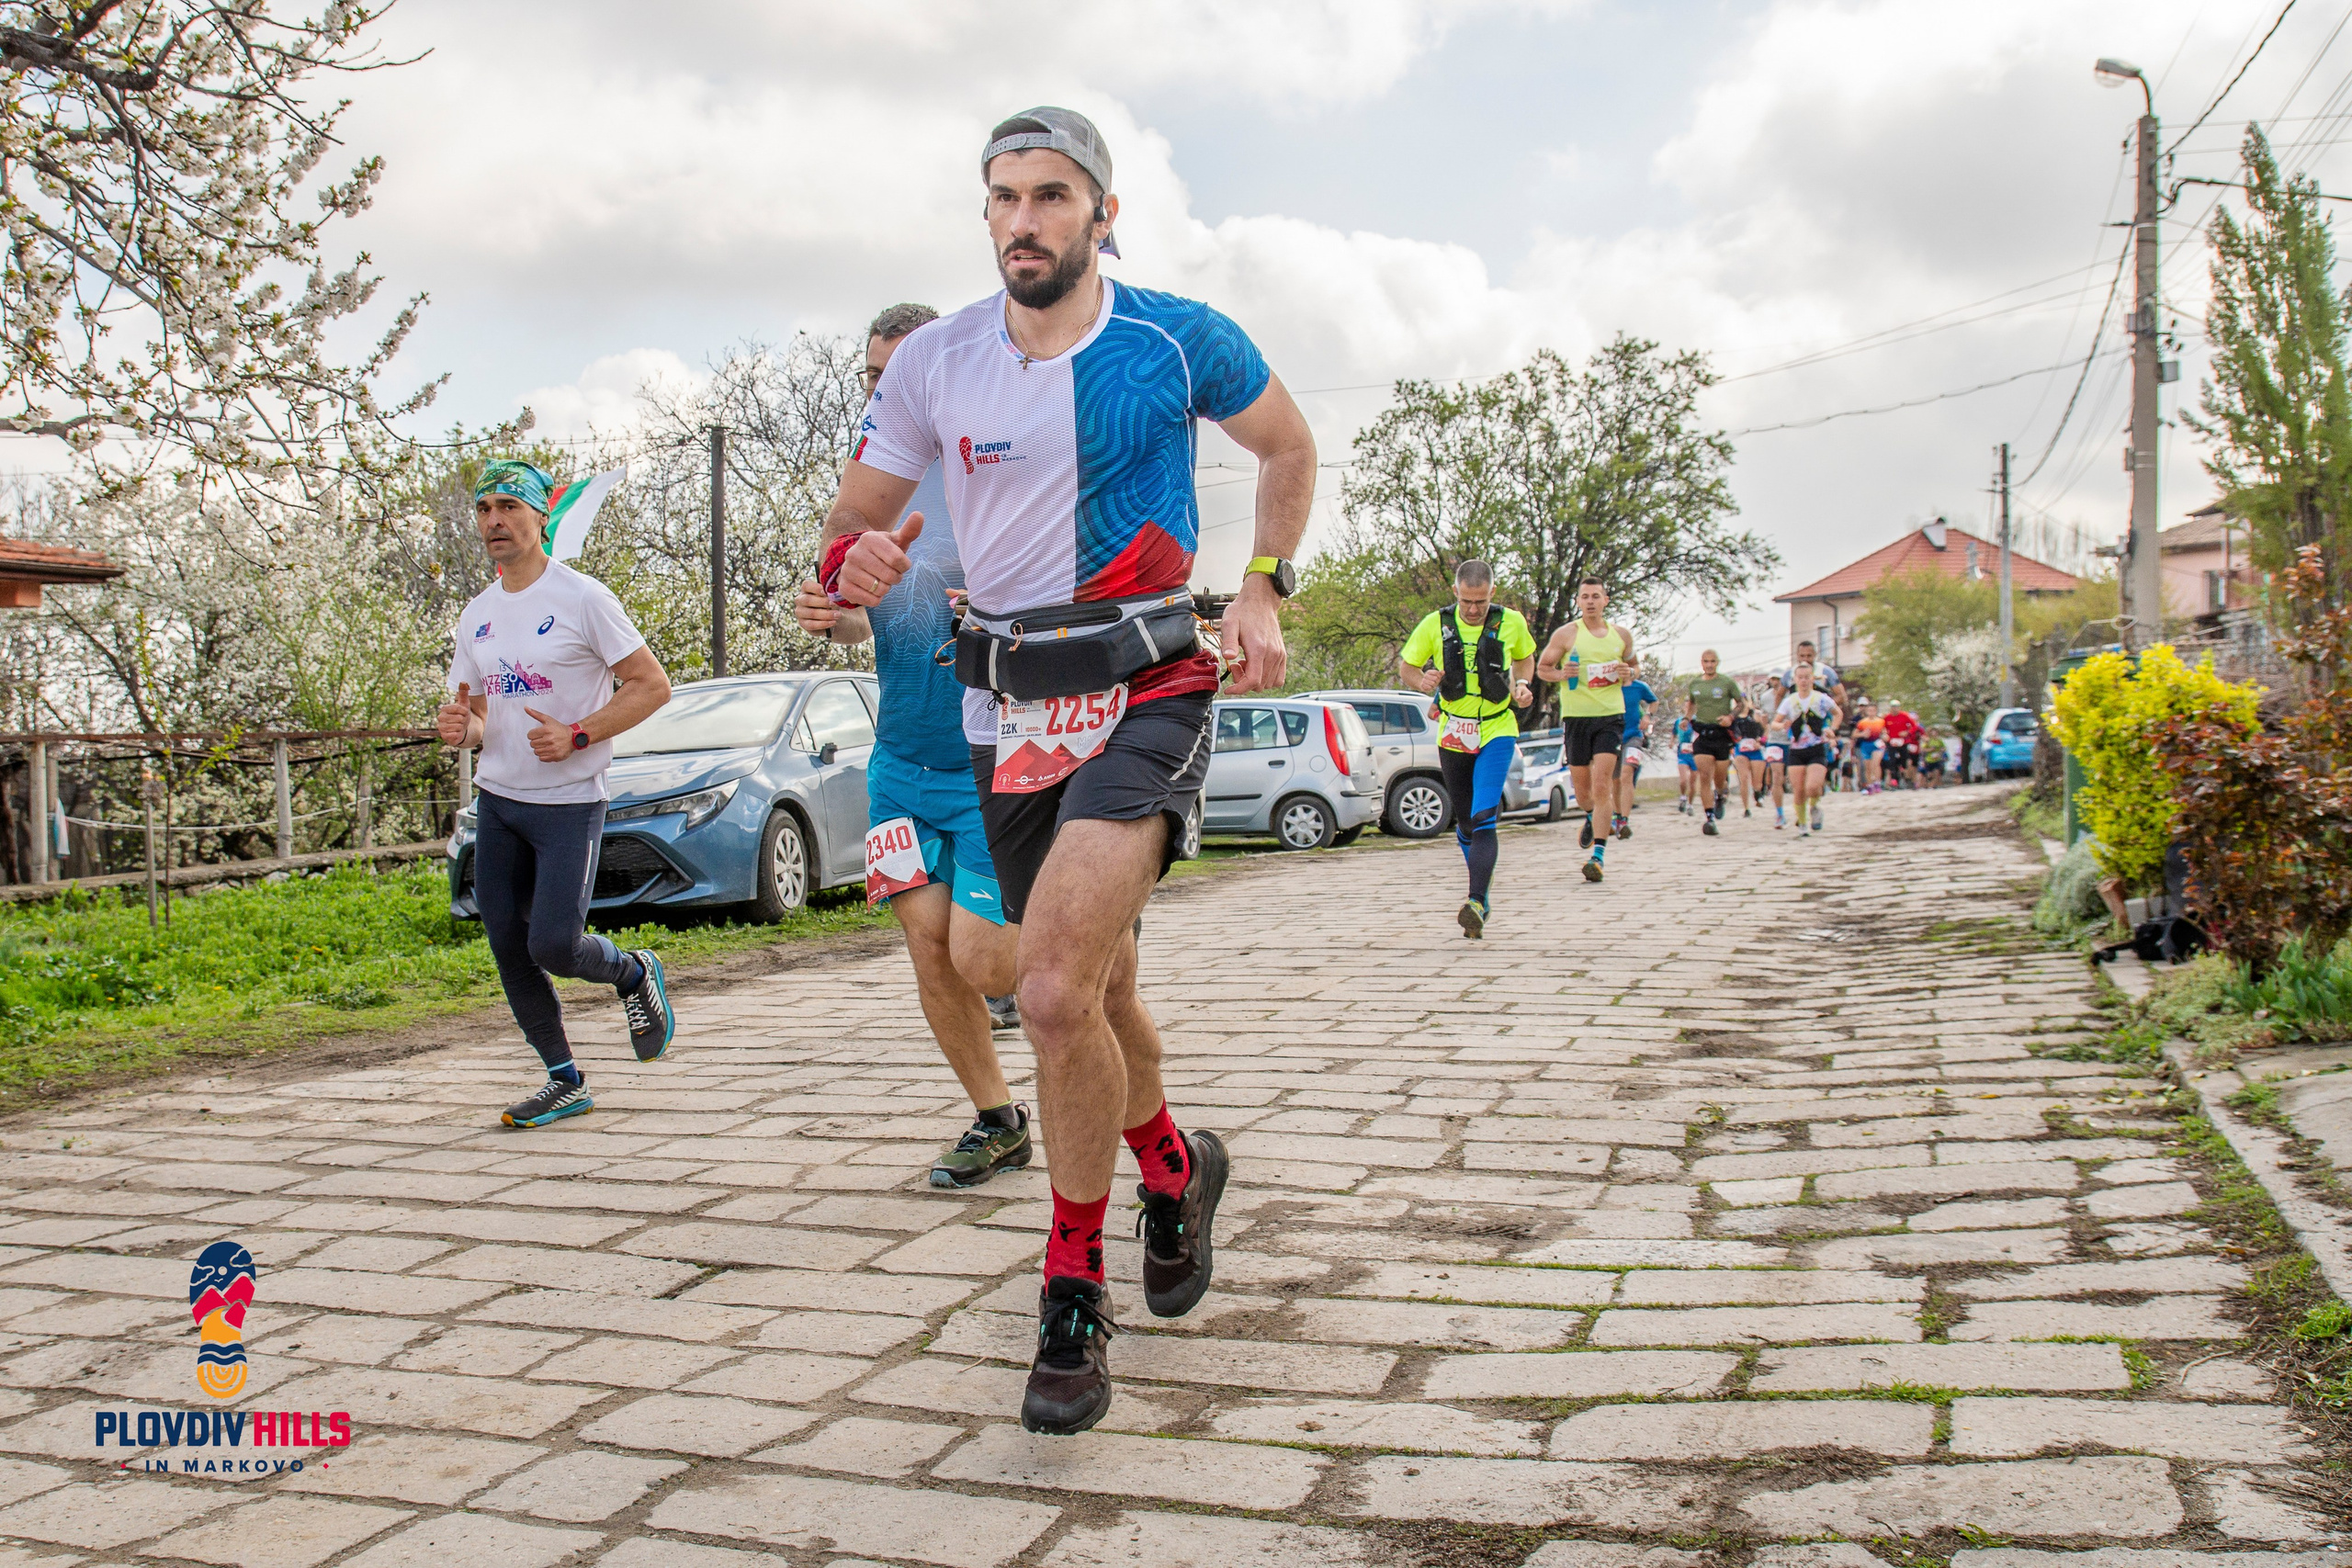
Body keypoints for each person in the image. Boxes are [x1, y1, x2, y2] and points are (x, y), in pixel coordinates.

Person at [823, 107, 1315, 1435]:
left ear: (1103, 213)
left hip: (1151, 678)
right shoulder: (936, 361)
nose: (1023, 219)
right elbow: (849, 529)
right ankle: (1175, 1168)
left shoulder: (1177, 338)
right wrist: (851, 565)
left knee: (1044, 989)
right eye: (1003, 196)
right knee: (1099, 992)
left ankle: (1069, 1288)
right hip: (1007, 706)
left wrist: (1262, 586)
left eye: (1050, 194)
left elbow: (1286, 445)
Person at [794, 304, 1031, 1190]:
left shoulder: (994, 465)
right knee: (929, 946)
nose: (884, 388)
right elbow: (862, 620)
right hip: (899, 763)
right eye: (873, 376)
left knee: (985, 957)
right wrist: (828, 613)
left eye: (900, 370)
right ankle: (997, 1118)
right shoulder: (868, 492)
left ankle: (1086, 930)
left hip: (993, 761)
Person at [437, 461, 677, 1129]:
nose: (494, 520)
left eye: (509, 505)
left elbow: (652, 685)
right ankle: (563, 1078)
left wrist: (578, 734)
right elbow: (478, 716)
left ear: (540, 516)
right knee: (508, 946)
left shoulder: (582, 598)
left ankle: (633, 973)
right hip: (499, 802)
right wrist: (463, 729)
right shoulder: (477, 614)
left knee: (553, 945)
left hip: (570, 802)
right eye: (484, 508)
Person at [1397, 559, 1536, 939]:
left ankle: (1474, 901)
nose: (1473, 610)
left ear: (1493, 593)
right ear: (1455, 592)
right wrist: (1421, 681)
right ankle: (1482, 898)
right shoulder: (1434, 624)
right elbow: (1407, 666)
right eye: (1466, 602)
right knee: (1465, 823)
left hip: (1497, 727)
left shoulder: (1511, 622)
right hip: (1454, 731)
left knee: (1484, 814)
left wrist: (1522, 684)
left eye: (1481, 602)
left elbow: (1525, 657)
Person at [1536, 579, 1638, 883]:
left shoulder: (1621, 635)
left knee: (1602, 784)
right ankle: (1591, 817)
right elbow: (1543, 668)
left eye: (1596, 596)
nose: (1590, 601)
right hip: (1577, 718)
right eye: (1585, 597)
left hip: (1610, 717)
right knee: (1583, 793)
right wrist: (1560, 674)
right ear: (1579, 601)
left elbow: (1634, 667)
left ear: (1605, 600)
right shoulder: (1566, 634)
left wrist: (1629, 672)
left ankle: (1598, 856)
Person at [1777, 664, 1843, 840]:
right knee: (1799, 790)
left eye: (1807, 677)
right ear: (1795, 680)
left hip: (1816, 748)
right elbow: (1775, 722)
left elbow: (1838, 713)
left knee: (1812, 787)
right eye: (1800, 678)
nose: (1804, 681)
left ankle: (1814, 806)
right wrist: (1782, 725)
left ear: (1812, 679)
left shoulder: (1821, 698)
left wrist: (1832, 729)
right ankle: (1802, 824)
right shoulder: (1789, 701)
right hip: (1796, 750)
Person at [1683, 649, 1739, 836]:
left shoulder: (1726, 682)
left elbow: (1741, 703)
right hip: (1703, 733)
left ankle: (1720, 795)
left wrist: (1731, 717)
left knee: (1719, 778)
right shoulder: (1695, 683)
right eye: (1706, 661)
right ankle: (1709, 818)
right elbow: (1691, 703)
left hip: (1721, 734)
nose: (1709, 665)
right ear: (1701, 663)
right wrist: (1686, 718)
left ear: (1718, 662)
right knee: (1705, 776)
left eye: (1712, 661)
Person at [1614, 671, 1659, 829]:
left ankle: (1624, 820)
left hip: (1634, 737)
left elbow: (1654, 701)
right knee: (1615, 781)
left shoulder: (1639, 687)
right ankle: (1617, 815)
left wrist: (1647, 716)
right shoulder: (1609, 687)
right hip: (1612, 737)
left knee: (1626, 775)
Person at [1760, 675, 1792, 828]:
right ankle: (1780, 814)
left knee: (1795, 779)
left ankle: (1801, 811)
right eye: (1773, 679)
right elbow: (1764, 718)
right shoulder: (1765, 697)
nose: (1776, 682)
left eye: (1778, 679)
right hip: (1774, 740)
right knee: (1777, 777)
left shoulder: (1792, 695)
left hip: (1793, 741)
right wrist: (1766, 727)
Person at [1782, 640, 1847, 711]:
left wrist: (1824, 706)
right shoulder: (1789, 674)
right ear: (1797, 655)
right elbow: (1779, 695)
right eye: (1802, 656)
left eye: (1809, 656)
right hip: (1796, 713)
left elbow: (1842, 697)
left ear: (1815, 655)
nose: (1805, 659)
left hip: (1820, 714)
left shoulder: (1826, 672)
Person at [1731, 699, 1766, 817]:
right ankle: (1746, 808)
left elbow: (1766, 729)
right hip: (1741, 750)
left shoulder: (1755, 715)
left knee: (1757, 783)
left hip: (1756, 750)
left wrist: (1761, 741)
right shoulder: (1733, 718)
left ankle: (1757, 792)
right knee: (1744, 779)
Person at [1883, 705, 1924, 790]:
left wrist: (1907, 732)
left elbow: (1916, 729)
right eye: (1893, 707)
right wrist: (1885, 735)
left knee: (1908, 763)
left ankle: (1910, 780)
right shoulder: (1887, 717)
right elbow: (1883, 728)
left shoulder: (1906, 717)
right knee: (1893, 762)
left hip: (1906, 744)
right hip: (1893, 743)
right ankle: (1895, 780)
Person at [1851, 703, 1885, 794]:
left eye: (1873, 710)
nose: (1871, 712)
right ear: (1867, 711)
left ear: (1876, 711)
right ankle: (1870, 785)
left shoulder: (1881, 721)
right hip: (1866, 745)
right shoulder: (1862, 722)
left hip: (1877, 744)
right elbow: (1854, 734)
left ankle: (1877, 783)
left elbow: (1884, 732)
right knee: (1867, 766)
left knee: (1876, 764)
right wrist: (1862, 734)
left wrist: (1885, 736)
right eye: (1869, 711)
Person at [1674, 715, 1697, 814]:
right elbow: (1674, 732)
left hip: (1695, 755)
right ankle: (1683, 797)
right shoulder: (1679, 720)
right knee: (1683, 780)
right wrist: (1672, 742)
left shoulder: (1698, 720)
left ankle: (1690, 805)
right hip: (1683, 754)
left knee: (1693, 783)